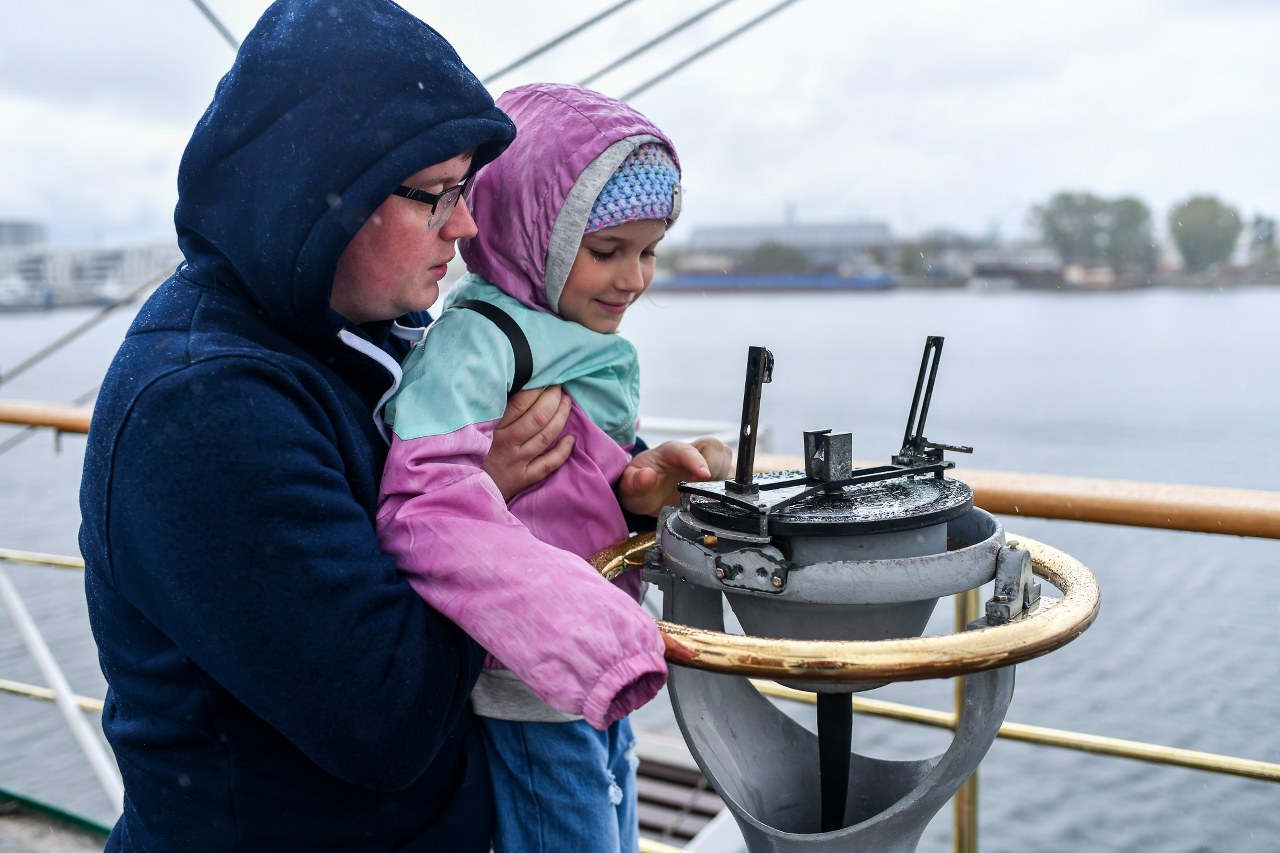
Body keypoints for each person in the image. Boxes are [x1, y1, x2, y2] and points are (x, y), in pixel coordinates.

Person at [77, 3, 720, 850]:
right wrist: (483, 494)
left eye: (468, 191)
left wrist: (627, 484)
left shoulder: (369, 332)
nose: (467, 224)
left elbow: (501, 463)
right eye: (438, 195)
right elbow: (383, 717)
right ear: (325, 195)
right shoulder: (204, 410)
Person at [376, 83, 733, 853]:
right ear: (532, 233)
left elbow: (567, 480)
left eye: (649, 251)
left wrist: (638, 483)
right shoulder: (480, 343)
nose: (634, 278)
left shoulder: (557, 328)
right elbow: (424, 504)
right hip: (534, 670)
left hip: (592, 658)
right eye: (606, 252)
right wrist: (582, 626)